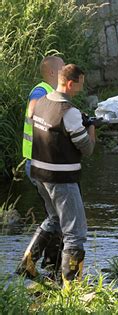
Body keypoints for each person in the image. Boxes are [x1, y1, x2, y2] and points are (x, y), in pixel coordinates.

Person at [17, 64, 96, 285]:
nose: (80, 89)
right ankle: (72, 288)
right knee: (75, 233)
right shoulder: (69, 112)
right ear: (71, 83)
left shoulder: (40, 102)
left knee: (54, 219)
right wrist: (91, 127)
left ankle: (27, 264)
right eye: (80, 84)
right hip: (61, 178)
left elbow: (40, 121)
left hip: (39, 173)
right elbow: (87, 148)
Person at [16, 56, 66, 279]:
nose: (67, 70)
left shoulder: (52, 92)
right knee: (57, 216)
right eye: (63, 67)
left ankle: (50, 264)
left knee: (56, 215)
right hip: (38, 163)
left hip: (40, 163)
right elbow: (32, 111)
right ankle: (32, 261)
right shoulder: (41, 90)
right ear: (54, 73)